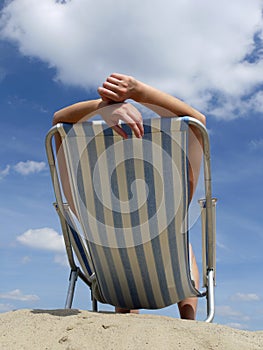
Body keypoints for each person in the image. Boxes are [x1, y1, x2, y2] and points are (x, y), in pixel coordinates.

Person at [53, 73, 205, 320]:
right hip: (171, 279)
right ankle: (189, 320)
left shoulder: (81, 198)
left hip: (113, 286)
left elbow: (58, 123)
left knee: (116, 246)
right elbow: (197, 122)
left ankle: (126, 314)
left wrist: (101, 108)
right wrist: (138, 91)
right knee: (181, 242)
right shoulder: (175, 197)